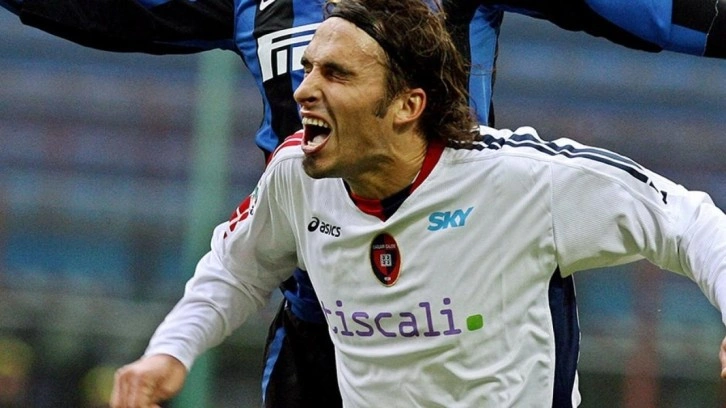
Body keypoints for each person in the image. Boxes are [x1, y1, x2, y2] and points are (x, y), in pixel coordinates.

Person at [2, 0, 725, 406]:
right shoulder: (295, 174)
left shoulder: (523, 182)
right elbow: (235, 265)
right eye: (304, 67)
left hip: (482, 269)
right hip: (326, 293)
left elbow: (685, 215)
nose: (303, 90)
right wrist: (171, 351)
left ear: (410, 100)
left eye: (335, 73)